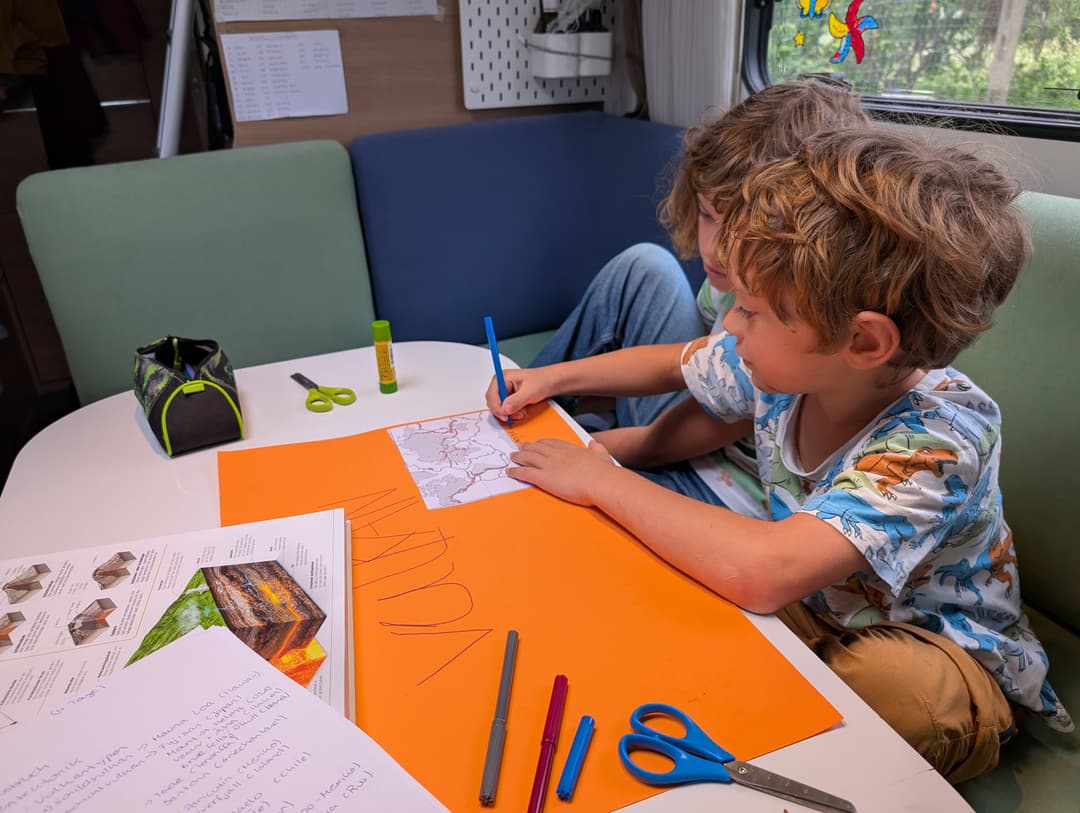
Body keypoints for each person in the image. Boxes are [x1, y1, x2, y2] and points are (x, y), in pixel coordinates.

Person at [486, 128, 1073, 782]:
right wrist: (555, 381)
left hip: (936, 649)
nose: (730, 326)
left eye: (752, 311)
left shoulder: (940, 439)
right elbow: (678, 363)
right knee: (662, 570)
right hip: (813, 606)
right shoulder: (792, 367)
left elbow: (765, 570)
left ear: (864, 342)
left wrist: (602, 479)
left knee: (896, 689)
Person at [530, 77, 870, 517]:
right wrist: (551, 383)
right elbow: (683, 361)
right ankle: (526, 407)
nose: (712, 249)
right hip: (685, 426)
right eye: (708, 215)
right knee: (645, 265)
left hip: (721, 485)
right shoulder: (739, 305)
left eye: (739, 230)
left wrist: (582, 451)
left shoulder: (786, 347)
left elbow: (669, 438)